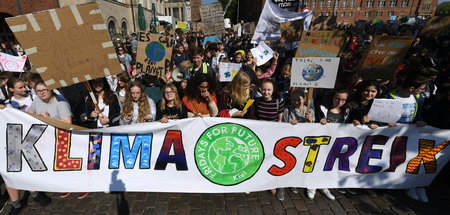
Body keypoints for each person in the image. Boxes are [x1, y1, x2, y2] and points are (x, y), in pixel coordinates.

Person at [0, 79, 52, 214]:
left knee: (30, 166)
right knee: (11, 169)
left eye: (24, 86)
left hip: (33, 137)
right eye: (20, 87)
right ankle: (16, 203)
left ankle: (35, 193)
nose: (25, 89)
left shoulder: (33, 98)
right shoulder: (7, 105)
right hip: (14, 140)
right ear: (11, 90)